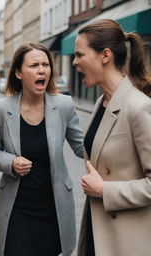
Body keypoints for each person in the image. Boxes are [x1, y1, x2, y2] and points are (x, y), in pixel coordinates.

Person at [0, 42, 84, 256]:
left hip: (53, 208)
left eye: (46, 64)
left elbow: (82, 147)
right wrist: (10, 162)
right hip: (16, 208)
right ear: (19, 73)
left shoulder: (64, 105)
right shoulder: (1, 109)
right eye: (34, 65)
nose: (41, 70)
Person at [73, 19, 151, 256]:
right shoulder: (101, 103)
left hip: (127, 241)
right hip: (98, 233)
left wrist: (105, 190)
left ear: (105, 55)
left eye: (79, 54)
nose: (75, 62)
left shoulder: (139, 107)